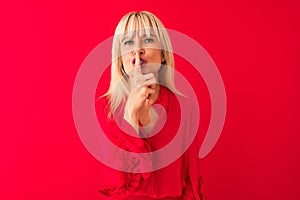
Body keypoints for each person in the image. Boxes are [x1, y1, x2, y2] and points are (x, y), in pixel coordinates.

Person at [96, 11, 203, 200]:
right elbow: (118, 185)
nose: (137, 50)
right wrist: (130, 115)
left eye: (147, 40)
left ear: (163, 54)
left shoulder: (185, 107)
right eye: (128, 43)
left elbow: (190, 180)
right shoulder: (106, 109)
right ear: (120, 58)